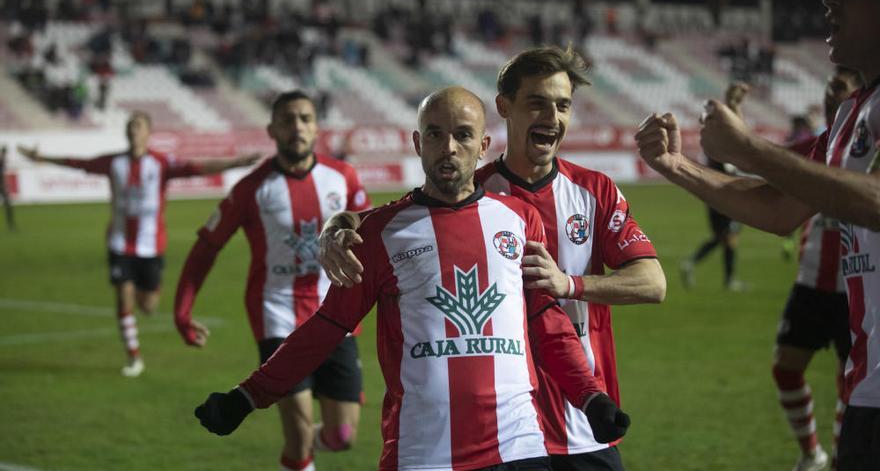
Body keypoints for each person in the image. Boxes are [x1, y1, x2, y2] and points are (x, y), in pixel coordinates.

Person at [194, 87, 631, 471]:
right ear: (418, 143)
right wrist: (247, 397)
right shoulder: (382, 233)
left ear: (482, 145)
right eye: (436, 134)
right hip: (422, 454)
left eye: (462, 134)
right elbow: (325, 329)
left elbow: (547, 324)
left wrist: (590, 398)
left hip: (518, 448)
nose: (449, 147)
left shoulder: (520, 221)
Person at [319, 47, 665, 471]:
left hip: (582, 427)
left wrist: (569, 284)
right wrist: (339, 222)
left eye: (562, 106)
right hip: (503, 434)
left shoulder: (595, 191)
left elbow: (652, 283)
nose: (551, 118)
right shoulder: (469, 189)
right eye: (536, 103)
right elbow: (391, 219)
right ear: (504, 107)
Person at [635, 0, 880, 468]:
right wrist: (677, 166)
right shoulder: (852, 115)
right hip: (868, 391)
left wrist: (749, 149)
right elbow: (777, 208)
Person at [174, 91, 371, 471]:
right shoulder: (251, 189)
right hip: (277, 317)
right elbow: (206, 246)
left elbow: (370, 233)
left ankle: (306, 450)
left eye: (304, 118)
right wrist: (182, 311)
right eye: (287, 119)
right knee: (297, 440)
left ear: (315, 127)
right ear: (272, 129)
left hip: (336, 317)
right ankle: (298, 455)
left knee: (341, 437)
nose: (296, 126)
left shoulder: (343, 177)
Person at [16, 111, 258, 377]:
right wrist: (40, 158)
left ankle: (147, 300)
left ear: (148, 133)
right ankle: (133, 356)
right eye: (130, 127)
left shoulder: (161, 163)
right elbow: (78, 163)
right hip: (119, 244)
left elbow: (197, 168)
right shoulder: (113, 163)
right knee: (123, 298)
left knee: (149, 306)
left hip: (151, 246)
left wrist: (235, 163)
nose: (133, 131)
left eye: (138, 126)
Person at [772, 68, 862, 471]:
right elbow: (769, 167)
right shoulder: (818, 146)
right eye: (828, 88)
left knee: (853, 387)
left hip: (855, 290)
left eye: (839, 89)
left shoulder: (868, 146)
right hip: (809, 284)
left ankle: (843, 457)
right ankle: (812, 452)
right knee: (785, 368)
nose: (830, 95)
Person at [679, 83, 749, 291]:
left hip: (714, 195)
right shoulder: (722, 145)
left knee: (723, 238)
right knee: (729, 239)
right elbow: (738, 145)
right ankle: (727, 280)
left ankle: (692, 264)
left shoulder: (712, 142)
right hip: (725, 196)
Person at [0, 145, 16, 231]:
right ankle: (11, 225)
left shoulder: (3, 160)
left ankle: (11, 225)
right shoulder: (2, 160)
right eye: (4, 152)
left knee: (8, 205)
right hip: (2, 185)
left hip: (2, 185)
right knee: (8, 205)